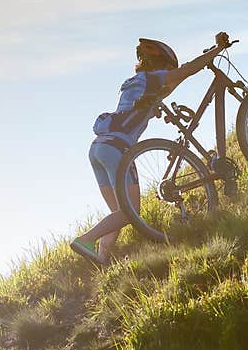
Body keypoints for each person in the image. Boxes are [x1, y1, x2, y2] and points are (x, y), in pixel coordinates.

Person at [70, 32, 231, 265]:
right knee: (129, 212)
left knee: (120, 212)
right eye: (168, 69)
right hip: (118, 149)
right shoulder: (153, 79)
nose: (170, 75)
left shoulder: (135, 83)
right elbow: (187, 71)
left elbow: (174, 82)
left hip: (98, 148)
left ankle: (101, 256)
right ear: (162, 66)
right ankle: (85, 239)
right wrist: (216, 51)